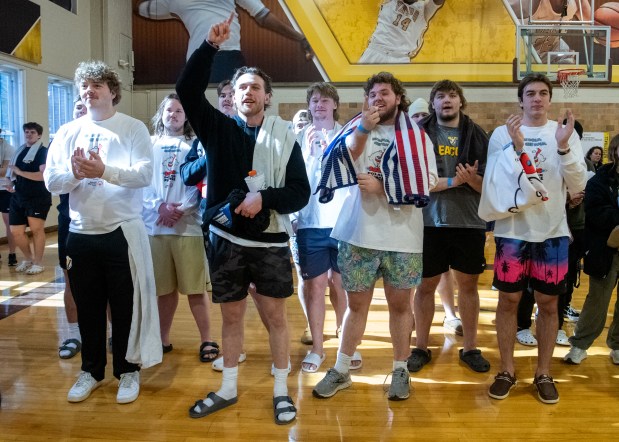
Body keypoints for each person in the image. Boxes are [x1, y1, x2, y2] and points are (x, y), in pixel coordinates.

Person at [176, 16, 310, 424]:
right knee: (231, 317)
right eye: (241, 87)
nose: (248, 92)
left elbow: (299, 193)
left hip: (269, 242)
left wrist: (263, 198)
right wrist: (209, 48)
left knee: (275, 320)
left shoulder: (285, 137)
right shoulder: (216, 128)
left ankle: (282, 391)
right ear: (232, 97)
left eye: (255, 87)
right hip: (226, 240)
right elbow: (186, 89)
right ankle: (229, 388)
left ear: (268, 97)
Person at [312, 71, 438, 401]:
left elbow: (429, 182)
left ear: (399, 98)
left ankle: (400, 369)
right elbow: (344, 158)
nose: (378, 98)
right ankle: (341, 369)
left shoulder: (417, 136)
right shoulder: (356, 129)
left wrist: (385, 188)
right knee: (356, 307)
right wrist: (365, 129)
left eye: (385, 92)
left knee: (401, 307)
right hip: (358, 234)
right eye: (372, 94)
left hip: (402, 237)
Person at [44, 60, 161, 405]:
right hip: (80, 232)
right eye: (85, 86)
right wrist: (77, 175)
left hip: (121, 231)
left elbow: (144, 175)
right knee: (88, 307)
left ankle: (127, 370)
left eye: (97, 85)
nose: (90, 91)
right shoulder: (68, 131)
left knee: (125, 306)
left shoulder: (132, 127)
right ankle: (91, 371)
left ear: (113, 91)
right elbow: (52, 180)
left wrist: (103, 170)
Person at [479, 73, 587, 404]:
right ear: (521, 100)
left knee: (549, 303)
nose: (537, 98)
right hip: (512, 233)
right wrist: (516, 146)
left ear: (550, 100)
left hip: (552, 232)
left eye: (543, 93)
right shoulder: (502, 133)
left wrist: (564, 146)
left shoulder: (563, 133)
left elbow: (579, 181)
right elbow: (502, 182)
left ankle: (543, 372)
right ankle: (507, 370)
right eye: (530, 93)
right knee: (508, 301)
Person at [408, 80, 490, 374]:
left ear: (460, 102)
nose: (446, 100)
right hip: (428, 222)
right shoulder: (417, 134)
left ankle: (469, 348)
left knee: (468, 286)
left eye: (452, 95)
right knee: (425, 286)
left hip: (468, 222)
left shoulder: (478, 135)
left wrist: (472, 180)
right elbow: (415, 182)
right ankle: (420, 347)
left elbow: (488, 188)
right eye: (440, 96)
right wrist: (455, 181)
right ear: (432, 104)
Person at [143, 94, 218, 362]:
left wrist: (181, 209)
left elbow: (201, 183)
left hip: (188, 227)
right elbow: (143, 182)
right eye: (169, 110)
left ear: (187, 117)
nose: (173, 114)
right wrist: (159, 206)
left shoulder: (195, 146)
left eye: (179, 110)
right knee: (163, 290)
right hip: (155, 227)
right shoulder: (149, 144)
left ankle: (207, 339)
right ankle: (162, 338)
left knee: (195, 289)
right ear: (161, 114)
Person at [292, 82, 347, 373]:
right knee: (314, 287)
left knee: (341, 286)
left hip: (342, 223)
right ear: (310, 106)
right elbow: (291, 179)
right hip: (310, 223)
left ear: (335, 105)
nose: (320, 105)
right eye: (314, 100)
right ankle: (317, 348)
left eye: (325, 100)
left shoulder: (346, 136)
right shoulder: (298, 137)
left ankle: (344, 342)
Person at [136, 0, 312, 83]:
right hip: (216, 58)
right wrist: (301, 37)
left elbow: (142, 8)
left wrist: (174, 11)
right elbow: (262, 16)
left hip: (208, 59)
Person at [564, 134, 619, 366]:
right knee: (597, 299)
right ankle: (580, 344)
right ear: (615, 151)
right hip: (606, 249)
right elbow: (595, 213)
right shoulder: (600, 179)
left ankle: (617, 345)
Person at [57, 96, 88, 360]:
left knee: (110, 281)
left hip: (103, 221)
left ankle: (113, 333)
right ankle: (74, 333)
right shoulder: (63, 139)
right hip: (69, 220)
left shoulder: (109, 137)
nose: (83, 109)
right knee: (70, 279)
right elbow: (52, 179)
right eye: (78, 106)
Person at [8, 122, 52, 275]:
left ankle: (38, 263)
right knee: (15, 231)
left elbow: (43, 176)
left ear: (39, 135)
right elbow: (13, 173)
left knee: (36, 230)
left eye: (32, 132)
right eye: (26, 132)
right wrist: (12, 184)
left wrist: (20, 173)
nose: (28, 134)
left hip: (37, 197)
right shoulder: (20, 151)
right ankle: (28, 259)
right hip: (18, 195)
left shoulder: (42, 152)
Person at [359, 0, 445, 64]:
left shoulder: (425, 8)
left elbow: (437, 2)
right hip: (376, 50)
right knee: (357, 87)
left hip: (400, 59)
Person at [507, 0, 592, 63]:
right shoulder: (528, 4)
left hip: (553, 54)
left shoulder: (577, 3)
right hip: (523, 59)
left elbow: (598, 34)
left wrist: (604, 21)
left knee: (567, 65)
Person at [0, 128, 16, 266]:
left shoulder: (8, 148)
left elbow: (4, 171)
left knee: (9, 223)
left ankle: (12, 253)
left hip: (5, 188)